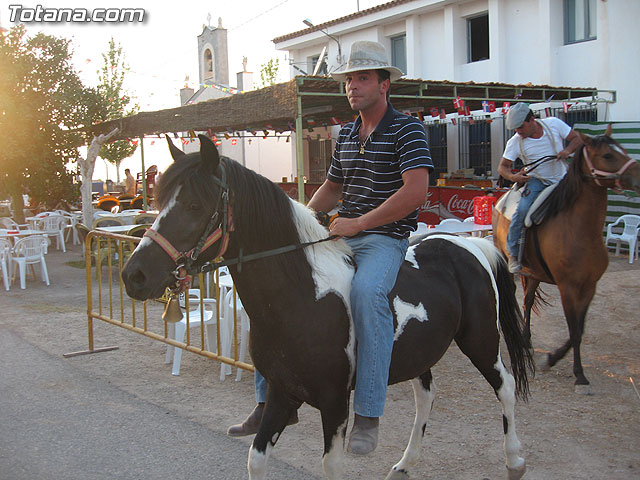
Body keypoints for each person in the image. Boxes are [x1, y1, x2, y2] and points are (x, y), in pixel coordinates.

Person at [227, 40, 433, 455]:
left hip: (384, 239)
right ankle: (271, 403)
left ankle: (368, 412)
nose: (352, 86)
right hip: (344, 235)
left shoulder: (408, 129)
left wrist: (360, 223)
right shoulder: (349, 133)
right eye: (349, 79)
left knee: (367, 294)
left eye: (362, 78)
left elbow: (416, 192)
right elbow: (333, 187)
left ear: (384, 84)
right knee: (280, 289)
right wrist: (300, 220)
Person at [497, 103, 582, 273]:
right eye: (515, 129)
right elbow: (502, 167)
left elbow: (577, 139)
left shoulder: (554, 124)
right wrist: (514, 177)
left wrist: (567, 151)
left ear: (531, 120)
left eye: (520, 127)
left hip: (564, 179)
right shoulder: (515, 142)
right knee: (522, 211)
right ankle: (513, 253)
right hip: (537, 181)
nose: (518, 131)